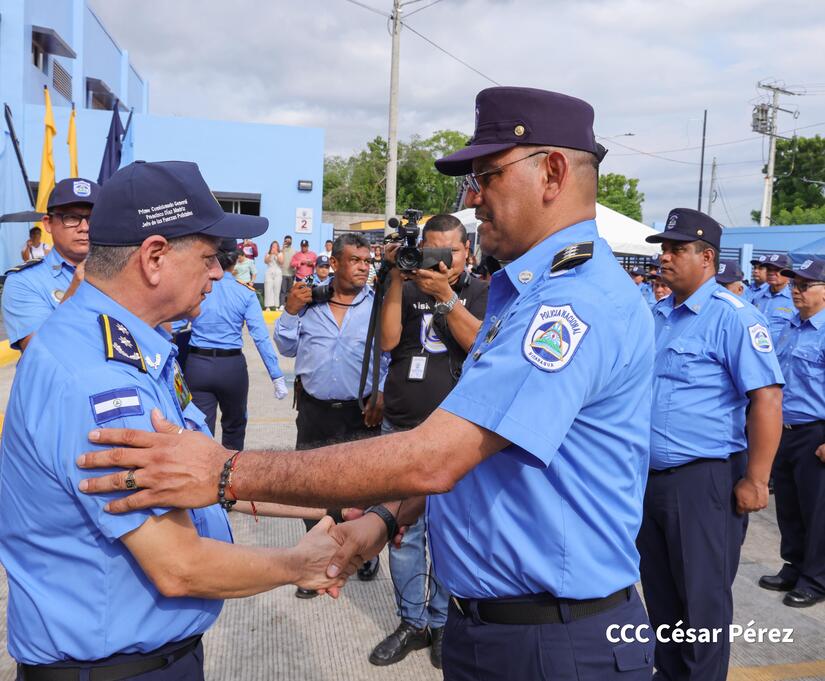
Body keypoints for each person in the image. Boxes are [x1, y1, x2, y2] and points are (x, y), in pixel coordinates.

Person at [79, 87, 658, 681]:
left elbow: (437, 458)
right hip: (503, 630)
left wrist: (224, 472)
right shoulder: (528, 295)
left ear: (553, 173)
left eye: (486, 175)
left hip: (559, 643)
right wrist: (383, 519)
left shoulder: (571, 303)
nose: (473, 198)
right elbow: (482, 455)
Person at [0, 160, 353, 681]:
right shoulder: (98, 379)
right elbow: (179, 565)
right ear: (154, 257)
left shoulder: (134, 346)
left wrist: (329, 502)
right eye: (210, 258)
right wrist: (300, 563)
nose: (219, 273)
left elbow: (203, 475)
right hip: (114, 669)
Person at [637, 207, 784, 681]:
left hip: (704, 482)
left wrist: (756, 479)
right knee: (660, 595)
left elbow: (766, 400)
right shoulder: (658, 314)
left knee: (701, 603)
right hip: (650, 479)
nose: (665, 257)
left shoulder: (735, 318)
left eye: (676, 249)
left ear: (707, 257)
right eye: (664, 248)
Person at [372, 213, 488, 669]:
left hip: (456, 436)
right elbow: (388, 342)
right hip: (402, 426)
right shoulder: (406, 284)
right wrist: (397, 281)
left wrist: (445, 297)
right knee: (401, 533)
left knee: (447, 533)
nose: (440, 260)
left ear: (467, 252)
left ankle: (441, 622)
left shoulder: (483, 292)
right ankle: (411, 621)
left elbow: (480, 346)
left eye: (450, 252)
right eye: (432, 249)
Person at [275, 232, 386, 598]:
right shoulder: (308, 301)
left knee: (363, 484)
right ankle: (315, 560)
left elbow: (386, 354)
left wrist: (380, 392)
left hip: (360, 411)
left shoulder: (378, 303)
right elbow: (286, 346)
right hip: (314, 410)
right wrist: (290, 311)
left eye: (367, 261)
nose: (363, 267)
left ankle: (365, 552)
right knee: (311, 487)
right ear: (334, 263)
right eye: (355, 260)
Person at [759, 258, 825, 608]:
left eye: (805, 285)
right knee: (789, 505)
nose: (796, 290)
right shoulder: (791, 326)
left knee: (817, 512)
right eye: (795, 284)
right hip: (785, 428)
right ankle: (795, 565)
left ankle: (815, 579)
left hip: (816, 433)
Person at [185, 238, 288, 451]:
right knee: (234, 428)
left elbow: (173, 325)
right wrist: (276, 375)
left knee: (199, 429)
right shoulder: (245, 292)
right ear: (236, 261)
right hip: (231, 367)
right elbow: (260, 337)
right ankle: (229, 477)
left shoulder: (195, 288)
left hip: (198, 364)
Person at [2, 177, 99, 351]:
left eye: (92, 218)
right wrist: (75, 291)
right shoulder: (23, 282)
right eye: (72, 218)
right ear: (48, 223)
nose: (84, 227)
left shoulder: (119, 269)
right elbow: (38, 353)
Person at [752, 253, 795, 341]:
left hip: (779, 353)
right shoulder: (757, 297)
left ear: (788, 273)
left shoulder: (796, 299)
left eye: (777, 270)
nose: (771, 273)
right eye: (769, 270)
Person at [264, 239, 284, 310]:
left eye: (276, 246)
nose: (274, 247)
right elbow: (266, 261)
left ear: (278, 247)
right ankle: (267, 306)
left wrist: (276, 254)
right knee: (268, 288)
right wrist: (271, 255)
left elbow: (281, 262)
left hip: (278, 272)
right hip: (269, 271)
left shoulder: (280, 254)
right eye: (273, 246)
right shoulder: (268, 253)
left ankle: (276, 306)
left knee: (277, 289)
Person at [280, 235, 296, 306]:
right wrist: (283, 248)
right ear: (284, 241)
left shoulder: (294, 251)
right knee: (283, 291)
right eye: (286, 240)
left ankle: (288, 305)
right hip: (282, 273)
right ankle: (282, 305)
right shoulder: (281, 250)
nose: (288, 242)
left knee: (290, 291)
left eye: (289, 240)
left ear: (291, 241)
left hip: (291, 274)